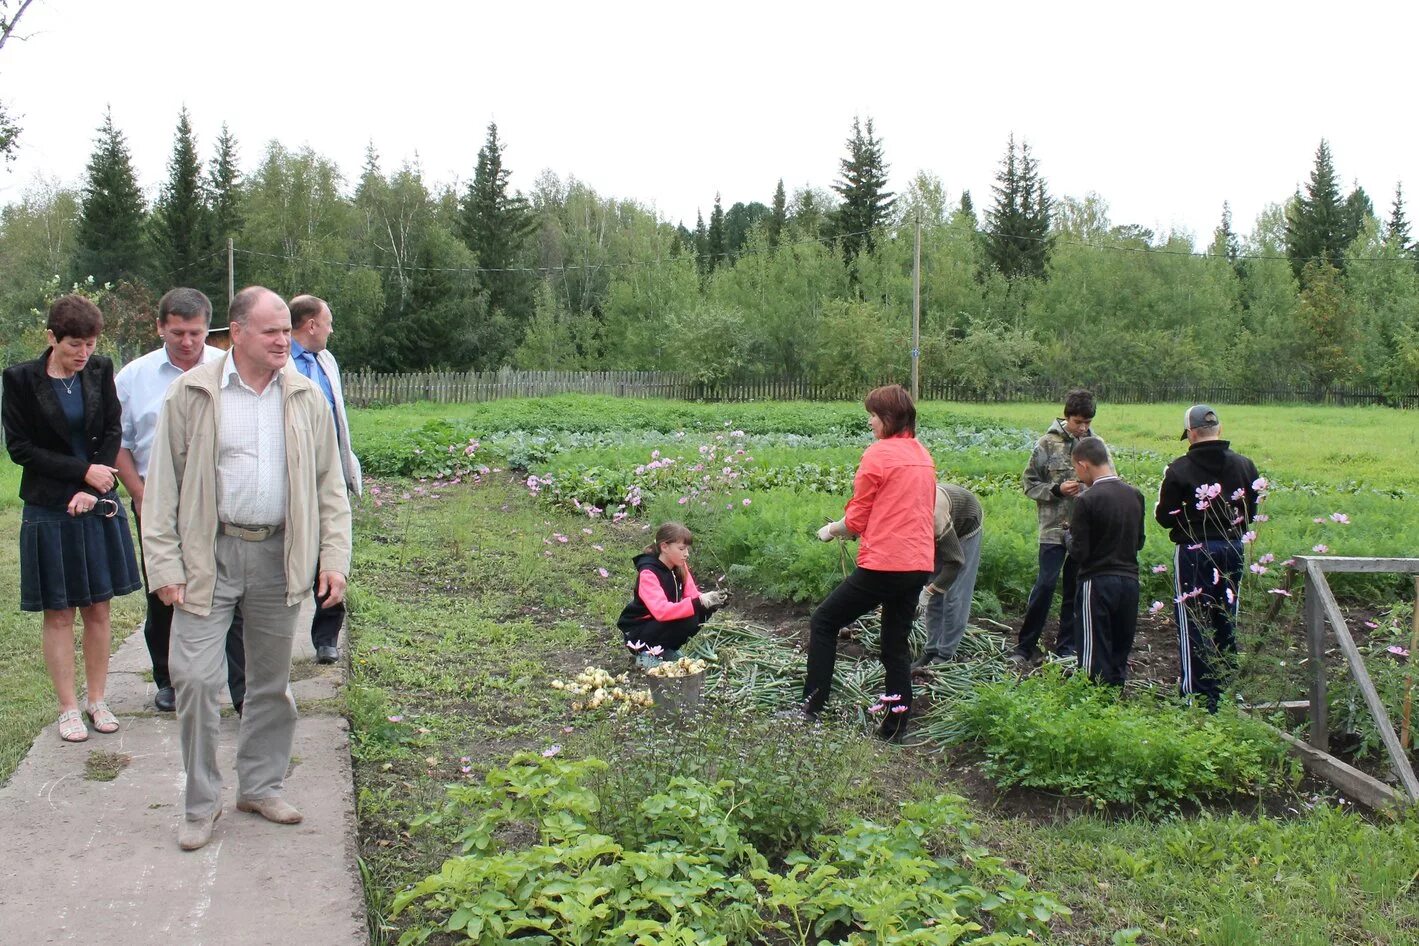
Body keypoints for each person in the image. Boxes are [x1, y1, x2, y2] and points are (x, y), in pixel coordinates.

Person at [143, 286, 352, 851]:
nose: (285, 339)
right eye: (272, 331)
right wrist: (164, 562)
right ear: (236, 334)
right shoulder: (191, 395)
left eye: (287, 329)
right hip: (206, 556)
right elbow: (162, 487)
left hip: (279, 556)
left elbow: (330, 487)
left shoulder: (306, 396)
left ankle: (259, 785)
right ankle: (200, 802)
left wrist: (333, 558)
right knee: (194, 677)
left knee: (269, 683)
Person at [2, 295, 142, 743]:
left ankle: (97, 700)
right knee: (59, 613)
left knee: (98, 607)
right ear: (51, 338)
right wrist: (79, 474)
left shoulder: (101, 370)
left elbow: (114, 430)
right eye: (74, 345)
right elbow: (21, 448)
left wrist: (92, 485)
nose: (83, 354)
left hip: (97, 501)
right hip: (49, 506)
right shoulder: (21, 379)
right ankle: (67, 708)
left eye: (90, 343)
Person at [115, 287, 245, 714]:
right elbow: (121, 443)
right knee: (165, 590)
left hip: (219, 499)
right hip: (158, 498)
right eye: (176, 333)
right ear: (160, 328)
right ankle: (168, 678)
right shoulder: (134, 378)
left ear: (210, 329)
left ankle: (233, 680)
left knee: (226, 587)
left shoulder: (232, 369)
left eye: (195, 333)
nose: (187, 342)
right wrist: (139, 495)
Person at [805, 385, 935, 741]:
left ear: (889, 419)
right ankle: (895, 728)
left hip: (886, 564)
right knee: (894, 646)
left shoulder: (878, 455)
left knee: (824, 622)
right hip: (918, 563)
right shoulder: (922, 454)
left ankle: (810, 709)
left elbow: (857, 519)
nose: (870, 422)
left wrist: (831, 530)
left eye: (874, 416)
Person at [1155, 405, 1260, 712]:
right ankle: (1228, 690)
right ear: (1219, 429)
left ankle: (1196, 697)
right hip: (1233, 547)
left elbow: (1164, 517)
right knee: (1226, 617)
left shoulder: (1178, 469)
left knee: (1193, 622)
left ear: (1191, 433)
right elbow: (1251, 510)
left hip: (1194, 551)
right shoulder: (1245, 465)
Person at [289, 294, 362, 665]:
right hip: (292, 473)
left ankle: (326, 636)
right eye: (328, 322)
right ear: (311, 324)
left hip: (328, 468)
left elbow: (338, 415)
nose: (332, 329)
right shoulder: (280, 361)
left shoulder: (326, 360)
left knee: (331, 550)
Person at [1014, 388, 1096, 666]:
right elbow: (1029, 484)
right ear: (1066, 417)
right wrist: (1057, 489)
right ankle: (1025, 646)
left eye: (1087, 422)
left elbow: (1108, 481)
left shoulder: (1096, 446)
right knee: (1045, 585)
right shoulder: (1046, 444)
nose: (1082, 428)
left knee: (1074, 588)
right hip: (1052, 529)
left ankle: (1067, 646)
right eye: (1078, 422)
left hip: (1082, 530)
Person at [1067, 437, 1146, 685]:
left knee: (1094, 651)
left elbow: (1080, 552)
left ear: (1083, 464)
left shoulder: (1086, 500)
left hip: (1097, 583)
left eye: (1077, 469)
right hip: (1130, 582)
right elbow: (1139, 542)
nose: (1078, 476)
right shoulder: (1135, 495)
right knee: (1119, 649)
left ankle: (1093, 705)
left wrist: (1066, 536)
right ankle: (1115, 697)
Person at [616, 522, 726, 667]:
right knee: (691, 612)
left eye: (687, 549)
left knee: (697, 614)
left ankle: (665, 650)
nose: (686, 554)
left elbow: (692, 595)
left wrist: (712, 602)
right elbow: (661, 611)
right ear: (664, 547)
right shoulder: (648, 573)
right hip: (639, 631)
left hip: (658, 627)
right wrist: (699, 602)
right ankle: (644, 655)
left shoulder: (679, 566)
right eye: (681, 549)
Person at [912, 482, 984, 672]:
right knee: (933, 584)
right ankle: (931, 649)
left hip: (966, 524)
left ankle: (945, 655)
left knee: (954, 594)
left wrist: (927, 593)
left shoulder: (935, 517)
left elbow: (955, 562)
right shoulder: (903, 517)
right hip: (937, 525)